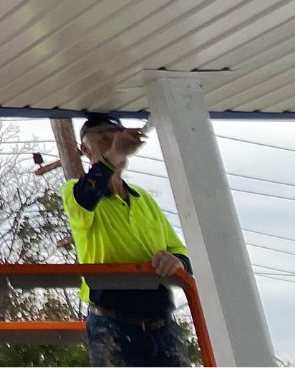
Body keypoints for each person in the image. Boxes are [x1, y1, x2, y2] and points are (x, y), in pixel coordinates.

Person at [62, 113, 195, 366]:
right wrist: (115, 154)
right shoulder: (73, 192)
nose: (113, 146)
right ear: (84, 150)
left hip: (161, 322)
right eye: (103, 141)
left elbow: (181, 252)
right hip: (111, 321)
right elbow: (87, 193)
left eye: (116, 140)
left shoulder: (143, 199)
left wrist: (175, 260)